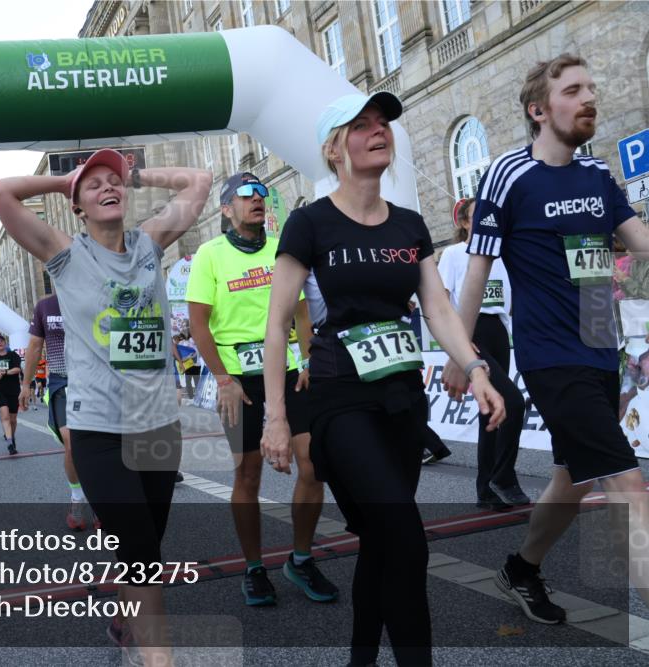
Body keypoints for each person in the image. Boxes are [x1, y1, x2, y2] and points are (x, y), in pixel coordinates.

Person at [262, 92, 506, 666]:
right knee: (404, 535)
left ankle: (361, 658)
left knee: (380, 537)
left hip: (402, 401)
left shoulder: (410, 225)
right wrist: (276, 416)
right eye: (362, 126)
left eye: (383, 125)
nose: (379, 132)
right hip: (339, 402)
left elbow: (440, 310)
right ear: (334, 148)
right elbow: (276, 326)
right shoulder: (309, 222)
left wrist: (474, 368)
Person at [441, 53, 649, 625]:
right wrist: (465, 353)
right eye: (574, 89)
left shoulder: (599, 173)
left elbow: (639, 240)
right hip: (552, 356)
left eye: (592, 87)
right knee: (630, 485)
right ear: (539, 109)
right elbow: (477, 270)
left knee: (571, 479)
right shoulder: (509, 175)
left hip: (600, 343)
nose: (590, 98)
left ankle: (522, 567)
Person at [0, 148, 211, 667]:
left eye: (115, 182)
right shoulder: (65, 254)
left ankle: (124, 614)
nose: (108, 187)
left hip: (157, 425)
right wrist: (65, 179)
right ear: (78, 207)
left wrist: (138, 173)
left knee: (146, 545)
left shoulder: (149, 245)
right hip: (97, 430)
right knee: (141, 553)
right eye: (96, 185)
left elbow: (199, 181)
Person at [186, 171, 338, 607]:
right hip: (239, 381)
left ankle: (302, 557)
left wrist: (309, 359)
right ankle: (254, 568)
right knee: (247, 474)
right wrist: (222, 379)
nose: (258, 199)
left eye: (263, 194)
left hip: (292, 371)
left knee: (312, 466)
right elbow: (199, 325)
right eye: (246, 194)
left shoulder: (283, 248)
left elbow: (304, 313)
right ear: (226, 208)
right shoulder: (209, 255)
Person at [437, 197, 528, 509]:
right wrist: (457, 342)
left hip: (499, 333)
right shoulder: (453, 254)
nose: (490, 221)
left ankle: (484, 490)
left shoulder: (503, 254)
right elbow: (441, 300)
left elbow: (511, 300)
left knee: (489, 411)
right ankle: (503, 476)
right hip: (471, 334)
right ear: (464, 223)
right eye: (479, 216)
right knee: (514, 403)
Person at [21, 294, 96, 529]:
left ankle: (100, 499)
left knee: (99, 444)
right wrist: (26, 384)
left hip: (94, 381)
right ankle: (77, 499)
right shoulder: (45, 305)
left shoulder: (94, 296)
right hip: (62, 383)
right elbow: (34, 346)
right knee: (72, 443)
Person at [0, 333, 23, 456]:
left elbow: (17, 369)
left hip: (13, 389)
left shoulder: (13, 355)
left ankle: (12, 437)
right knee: (5, 415)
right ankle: (10, 443)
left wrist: (5, 372)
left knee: (13, 419)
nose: (0, 343)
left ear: (5, 343)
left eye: (2, 341)